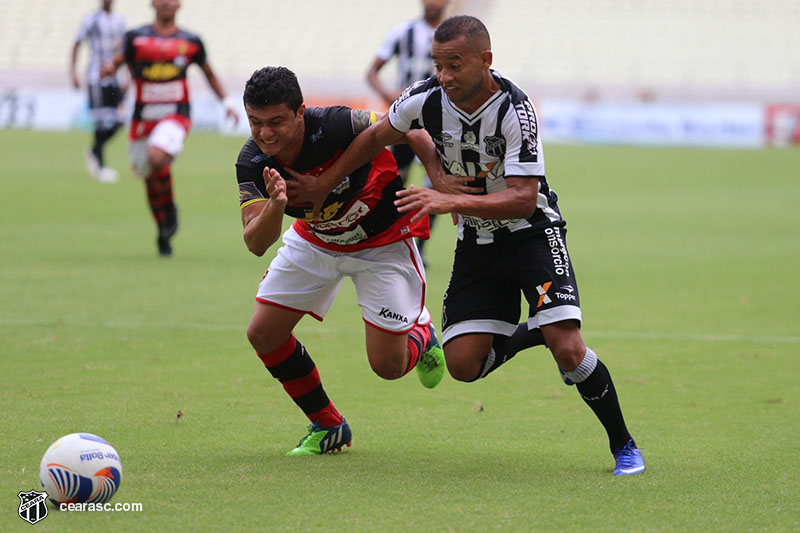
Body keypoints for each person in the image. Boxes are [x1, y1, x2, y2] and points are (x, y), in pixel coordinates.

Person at [287, 16, 645, 475]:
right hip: (476, 241)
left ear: (485, 60)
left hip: (532, 233)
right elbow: (377, 136)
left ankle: (624, 446)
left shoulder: (515, 110)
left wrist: (443, 198)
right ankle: (539, 332)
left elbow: (522, 199)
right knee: (462, 365)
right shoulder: (425, 99)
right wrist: (325, 184)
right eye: (439, 65)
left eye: (455, 65)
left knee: (571, 349)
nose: (445, 76)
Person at [235, 66, 446, 456]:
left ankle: (423, 335)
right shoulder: (252, 161)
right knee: (263, 333)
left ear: (300, 112)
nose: (265, 134)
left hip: (383, 243)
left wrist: (437, 176)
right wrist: (277, 206)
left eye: (277, 121)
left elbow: (408, 125)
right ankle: (329, 425)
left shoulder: (335, 123)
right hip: (316, 241)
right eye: (255, 122)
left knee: (388, 367)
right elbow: (255, 242)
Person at [102, 0, 238, 256]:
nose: (166, 2)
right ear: (152, 4)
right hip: (143, 120)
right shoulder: (136, 38)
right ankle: (163, 226)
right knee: (150, 176)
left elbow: (209, 73)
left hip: (176, 115)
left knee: (157, 156)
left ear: (179, 5)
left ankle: (170, 211)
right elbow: (117, 61)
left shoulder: (191, 41)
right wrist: (109, 68)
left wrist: (227, 102)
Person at [366, 0, 449, 265]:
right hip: (405, 121)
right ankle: (392, 240)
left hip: (439, 124)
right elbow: (372, 71)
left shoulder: (453, 36)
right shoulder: (404, 32)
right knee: (395, 182)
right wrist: (387, 95)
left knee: (435, 183)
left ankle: (420, 247)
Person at [70, 0, 126, 183]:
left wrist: (128, 76)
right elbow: (77, 43)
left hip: (115, 79)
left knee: (120, 119)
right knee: (100, 122)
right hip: (96, 77)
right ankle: (100, 166)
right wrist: (74, 73)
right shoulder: (91, 20)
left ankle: (94, 150)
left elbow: (124, 51)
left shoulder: (119, 20)